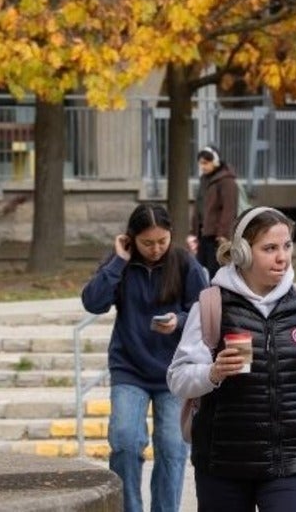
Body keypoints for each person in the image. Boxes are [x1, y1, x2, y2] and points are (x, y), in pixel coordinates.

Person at [167, 206, 296, 511]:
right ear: (243, 253)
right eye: (270, 248)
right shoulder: (211, 304)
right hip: (222, 462)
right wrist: (212, 373)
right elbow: (178, 378)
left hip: (292, 460)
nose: (282, 257)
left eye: (287, 246)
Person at [81, 203, 208, 512]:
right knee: (124, 441)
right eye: (147, 243)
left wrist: (178, 320)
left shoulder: (184, 263)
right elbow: (93, 303)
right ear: (131, 239)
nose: (155, 249)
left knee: (172, 448)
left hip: (175, 372)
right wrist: (119, 261)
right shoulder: (120, 264)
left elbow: (205, 309)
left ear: (171, 236)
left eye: (162, 241)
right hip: (130, 369)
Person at [191, 145, 239, 279]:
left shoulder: (227, 181)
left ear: (215, 161)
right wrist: (193, 231)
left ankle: (216, 298)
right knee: (201, 270)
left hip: (216, 236)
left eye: (206, 163)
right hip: (203, 233)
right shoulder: (204, 180)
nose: (202, 166)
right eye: (200, 163)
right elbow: (199, 206)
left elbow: (229, 209)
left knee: (216, 271)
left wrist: (223, 234)